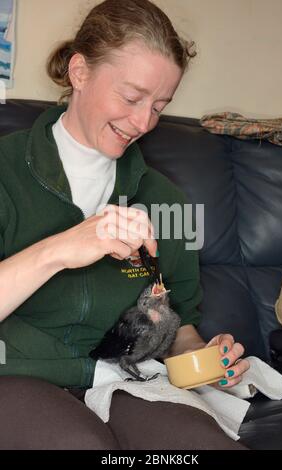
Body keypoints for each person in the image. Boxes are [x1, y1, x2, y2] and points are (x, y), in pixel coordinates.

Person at [0, 0, 249, 450]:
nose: (143, 123)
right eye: (132, 98)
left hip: (124, 380)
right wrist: (59, 249)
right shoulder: (4, 171)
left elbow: (181, 324)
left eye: (159, 106)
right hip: (16, 376)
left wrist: (202, 357)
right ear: (80, 72)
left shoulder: (167, 200)